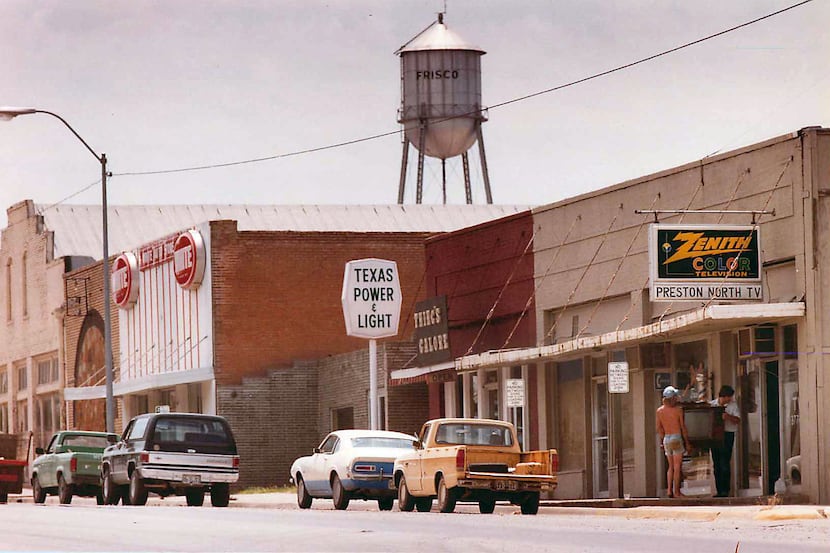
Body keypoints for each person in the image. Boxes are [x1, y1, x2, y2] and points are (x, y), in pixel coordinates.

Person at [657, 386, 692, 498]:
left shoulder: (660, 411)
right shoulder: (678, 410)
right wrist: (687, 442)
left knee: (670, 466)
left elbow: (659, 428)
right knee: (677, 466)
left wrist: (662, 441)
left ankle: (669, 490)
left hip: (666, 438)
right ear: (672, 398)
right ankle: (677, 491)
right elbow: (682, 427)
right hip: (676, 437)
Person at [710, 385, 741, 497]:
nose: (730, 399)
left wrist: (728, 417)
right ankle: (719, 490)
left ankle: (725, 490)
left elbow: (738, 420)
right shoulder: (712, 405)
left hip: (727, 434)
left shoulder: (733, 406)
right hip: (715, 437)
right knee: (716, 464)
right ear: (724, 396)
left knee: (725, 463)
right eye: (729, 397)